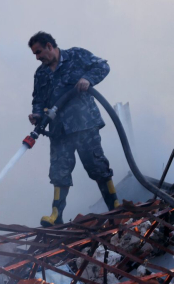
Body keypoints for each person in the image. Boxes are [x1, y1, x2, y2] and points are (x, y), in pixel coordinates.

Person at [28, 31, 118, 227]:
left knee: (98, 166)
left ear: (50, 46)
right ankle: (55, 216)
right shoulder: (41, 73)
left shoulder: (76, 56)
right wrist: (36, 115)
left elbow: (103, 66)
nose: (37, 57)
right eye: (35, 54)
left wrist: (88, 79)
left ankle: (115, 206)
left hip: (84, 125)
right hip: (59, 131)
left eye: (39, 51)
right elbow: (38, 100)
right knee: (59, 172)